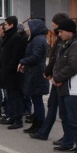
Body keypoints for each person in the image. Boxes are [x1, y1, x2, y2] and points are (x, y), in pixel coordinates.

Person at [30, 12, 70, 143]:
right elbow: (54, 59)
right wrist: (49, 72)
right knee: (52, 105)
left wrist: (50, 72)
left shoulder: (67, 40)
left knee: (65, 112)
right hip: (56, 78)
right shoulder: (60, 38)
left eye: (54, 23)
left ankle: (68, 137)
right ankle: (44, 132)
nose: (52, 25)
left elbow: (60, 61)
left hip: (64, 81)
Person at [51, 19, 77, 153]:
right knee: (65, 117)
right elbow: (57, 63)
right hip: (63, 86)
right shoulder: (64, 45)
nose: (59, 34)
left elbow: (72, 66)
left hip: (73, 88)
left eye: (61, 31)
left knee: (75, 119)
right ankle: (68, 142)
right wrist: (55, 77)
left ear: (70, 31)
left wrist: (58, 78)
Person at [17, 19, 49, 134]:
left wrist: (23, 61)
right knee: (36, 100)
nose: (28, 29)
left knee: (37, 100)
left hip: (37, 73)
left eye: (30, 27)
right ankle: (36, 124)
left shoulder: (38, 39)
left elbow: (35, 57)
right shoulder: (36, 38)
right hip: (33, 72)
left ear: (35, 28)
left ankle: (39, 124)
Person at [0, 16, 25, 129]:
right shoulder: (9, 37)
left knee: (15, 97)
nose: (4, 26)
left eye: (6, 24)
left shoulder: (15, 38)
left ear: (11, 25)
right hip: (7, 72)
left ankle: (18, 120)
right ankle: (13, 117)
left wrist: (8, 68)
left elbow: (15, 57)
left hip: (13, 74)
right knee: (10, 97)